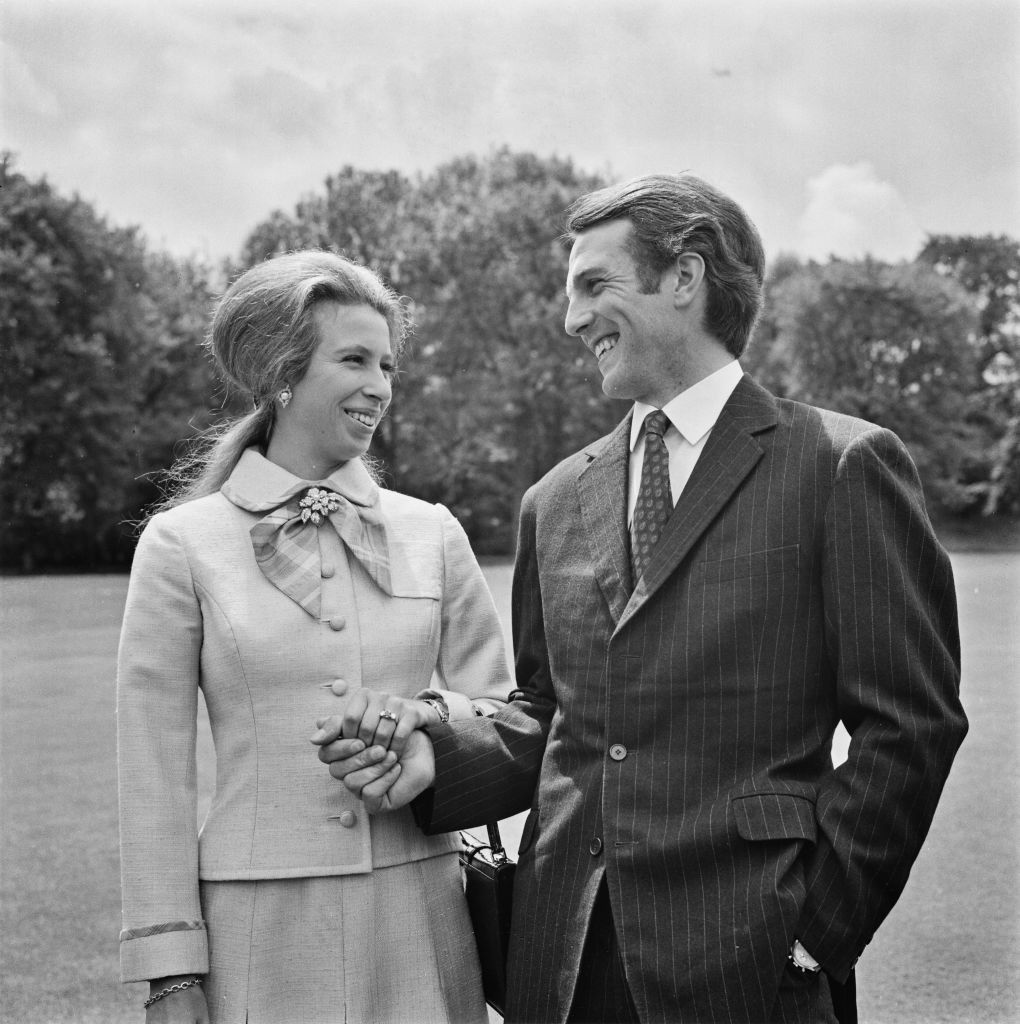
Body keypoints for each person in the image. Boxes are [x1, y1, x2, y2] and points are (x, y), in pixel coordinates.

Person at [315, 175, 969, 1024]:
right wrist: (440, 757)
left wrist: (814, 931)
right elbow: (551, 713)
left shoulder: (840, 465)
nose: (571, 319)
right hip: (563, 961)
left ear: (685, 278)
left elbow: (911, 722)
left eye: (594, 284)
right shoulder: (552, 499)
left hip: (756, 961)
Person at [117, 250, 513, 1024]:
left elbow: (505, 709)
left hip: (424, 914)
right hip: (256, 930)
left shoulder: (431, 532)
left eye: (389, 365)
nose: (380, 387)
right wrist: (170, 971)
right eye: (355, 360)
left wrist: (428, 723)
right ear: (282, 373)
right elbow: (153, 771)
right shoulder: (182, 545)